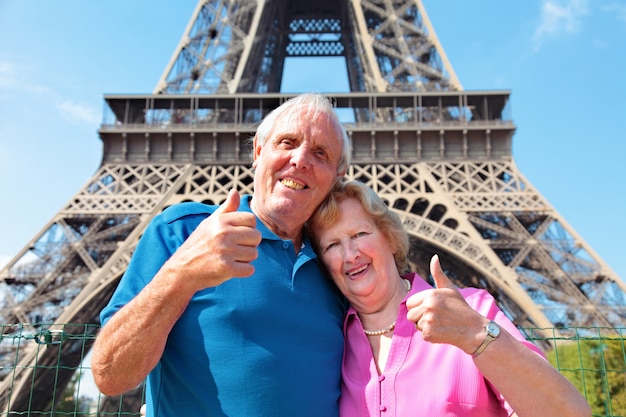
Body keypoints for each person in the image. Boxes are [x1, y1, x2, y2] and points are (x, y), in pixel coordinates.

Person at [91, 93, 352, 417]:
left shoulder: (341, 261)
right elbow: (111, 375)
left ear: (338, 175)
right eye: (287, 142)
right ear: (258, 150)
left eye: (321, 153)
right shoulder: (183, 231)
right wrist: (182, 274)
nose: (300, 160)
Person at [306, 179, 591, 417]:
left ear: (389, 239)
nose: (350, 254)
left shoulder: (471, 310)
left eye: (359, 234)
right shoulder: (330, 342)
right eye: (332, 245)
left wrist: (476, 335)